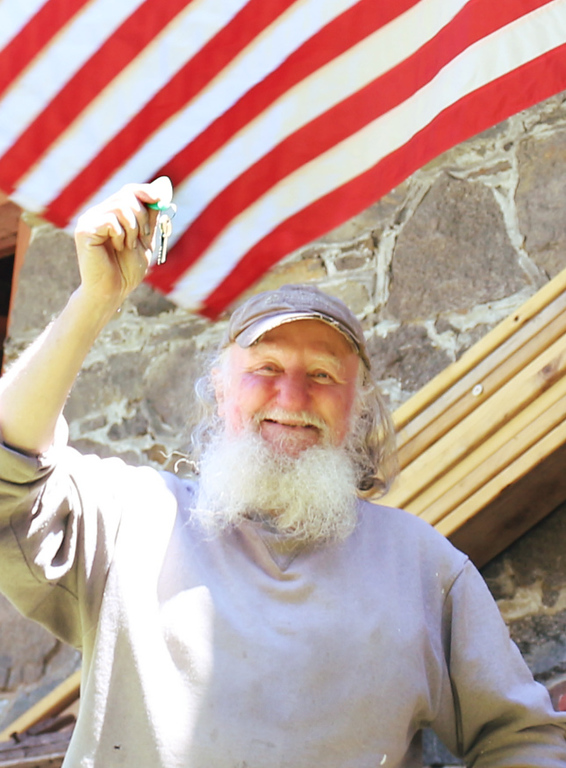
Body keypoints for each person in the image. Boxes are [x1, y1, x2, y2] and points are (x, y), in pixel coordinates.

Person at [0, 180, 564, 768]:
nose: (291, 397)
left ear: (359, 407)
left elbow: (522, 740)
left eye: (322, 375)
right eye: (265, 367)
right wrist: (93, 302)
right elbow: (9, 474)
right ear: (220, 391)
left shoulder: (424, 568)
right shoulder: (134, 520)